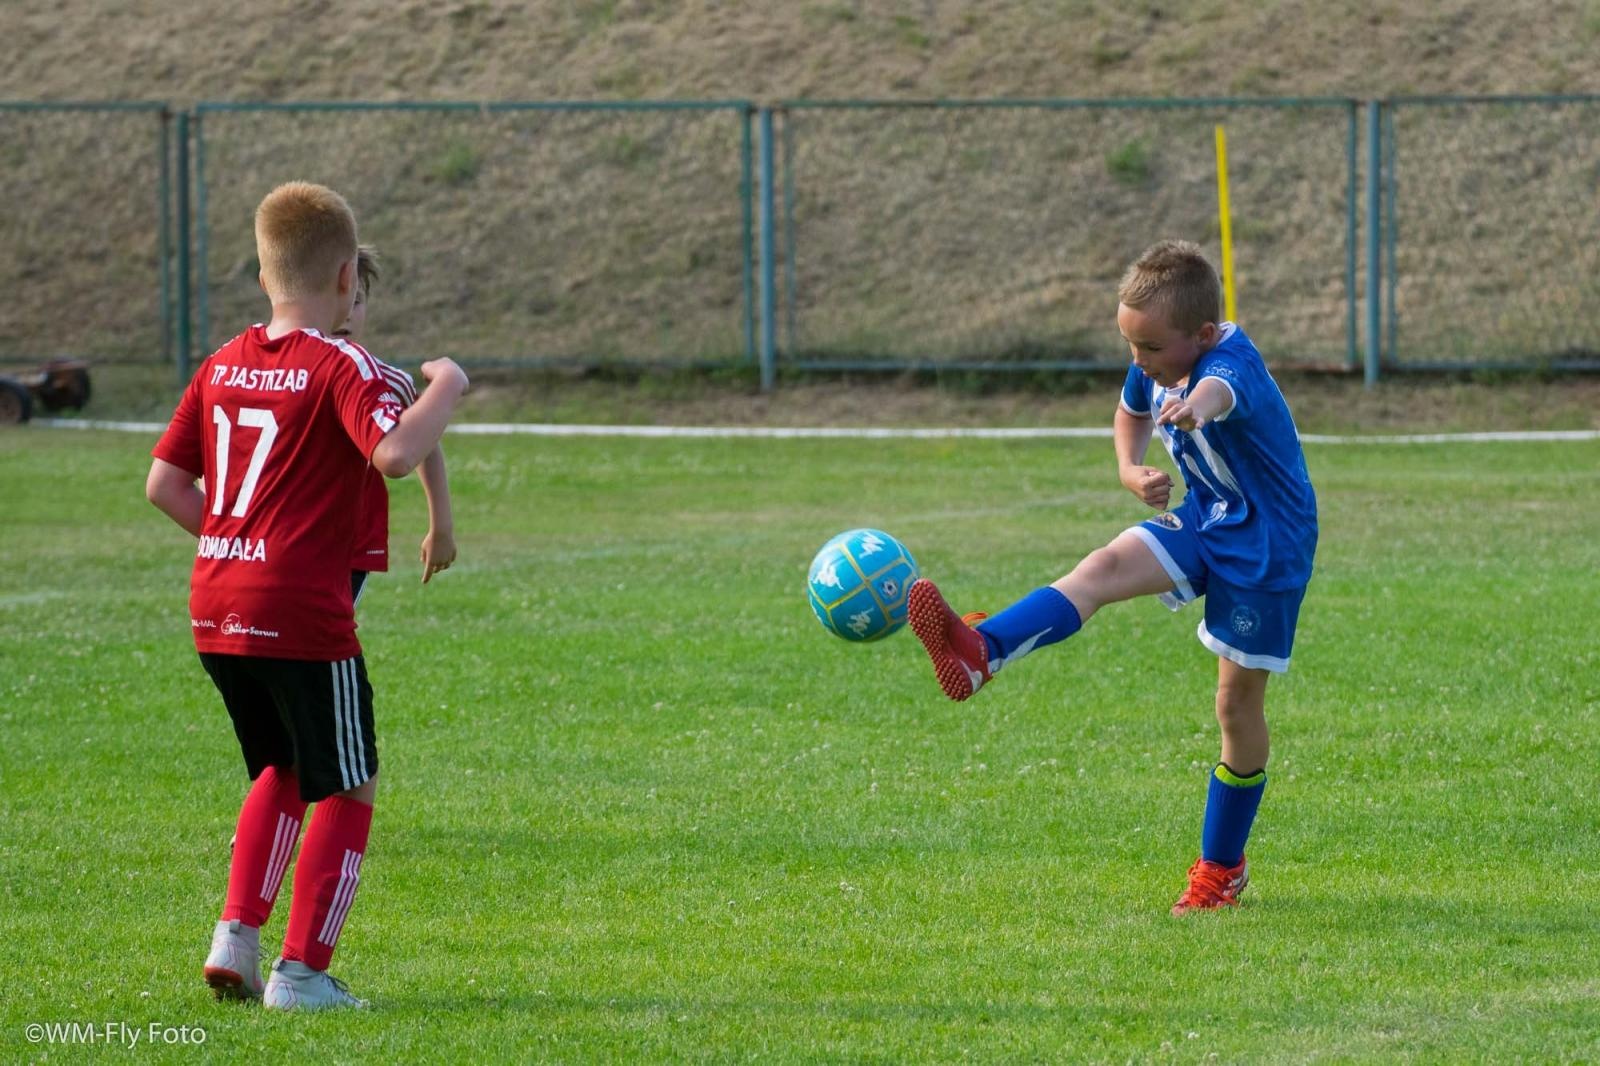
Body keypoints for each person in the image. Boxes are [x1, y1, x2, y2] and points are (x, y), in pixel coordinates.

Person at [906, 239, 1317, 916]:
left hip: (1267, 548)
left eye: (1151, 348)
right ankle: (981, 654)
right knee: (1097, 569)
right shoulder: (1156, 359)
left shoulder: (1226, 361)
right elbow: (1130, 410)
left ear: (1202, 334)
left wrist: (1198, 406)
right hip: (1209, 516)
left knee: (1234, 708)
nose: (1139, 361)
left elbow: (1219, 391)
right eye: (1129, 344)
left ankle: (1222, 870)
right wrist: (1130, 469)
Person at [145, 181, 469, 1009]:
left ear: (264, 277)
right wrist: (451, 385)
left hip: (215, 604)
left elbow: (163, 484)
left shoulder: (221, 362)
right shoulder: (342, 364)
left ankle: (237, 940)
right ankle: (303, 974)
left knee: (283, 766)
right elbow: (396, 451)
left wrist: (240, 546)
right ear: (342, 282)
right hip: (298, 611)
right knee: (350, 781)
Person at [337, 246, 457, 598]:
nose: (346, 314)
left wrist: (442, 527)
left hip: (349, 547)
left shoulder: (384, 380)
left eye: (357, 301)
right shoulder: (277, 371)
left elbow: (424, 442)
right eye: (340, 298)